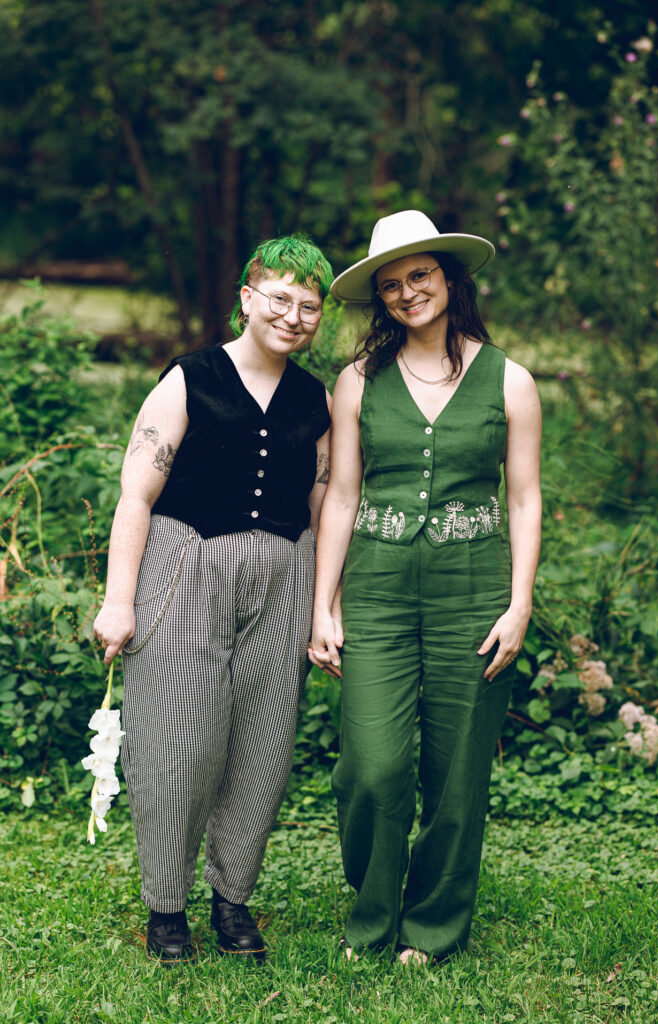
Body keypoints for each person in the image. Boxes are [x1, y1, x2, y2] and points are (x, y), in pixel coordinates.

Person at [93, 234, 334, 963]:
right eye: (280, 298)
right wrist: (117, 600)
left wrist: (326, 605)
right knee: (176, 742)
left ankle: (233, 900)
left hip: (284, 575)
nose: (293, 316)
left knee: (262, 746)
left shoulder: (314, 398)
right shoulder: (188, 378)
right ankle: (167, 907)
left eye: (309, 306)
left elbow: (325, 504)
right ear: (247, 297)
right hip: (184, 564)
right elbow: (137, 491)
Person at [309, 210, 542, 963]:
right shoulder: (356, 382)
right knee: (370, 768)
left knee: (455, 774)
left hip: (473, 593)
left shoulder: (510, 379)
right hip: (375, 591)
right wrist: (324, 604)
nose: (409, 292)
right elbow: (341, 495)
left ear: (447, 278)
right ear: (380, 300)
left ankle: (433, 925)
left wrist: (519, 603)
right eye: (391, 285)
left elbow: (524, 498)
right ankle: (372, 911)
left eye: (420, 275)